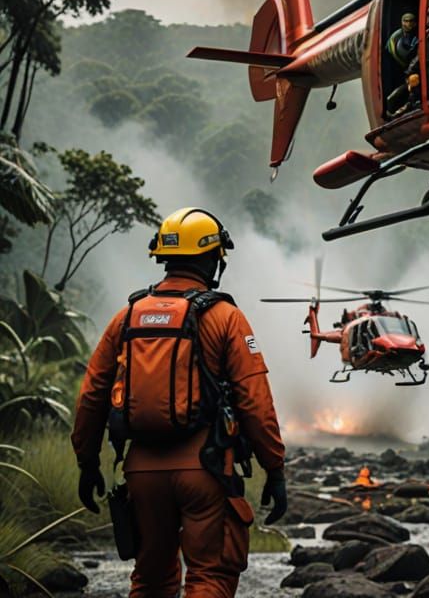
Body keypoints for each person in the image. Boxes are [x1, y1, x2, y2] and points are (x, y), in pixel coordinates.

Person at [72, 207, 287, 598]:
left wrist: (87, 463)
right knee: (210, 576)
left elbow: (91, 398)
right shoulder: (226, 317)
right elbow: (255, 399)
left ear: (164, 258)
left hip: (141, 474)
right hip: (204, 470)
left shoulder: (126, 317)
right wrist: (274, 467)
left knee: (151, 580)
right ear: (212, 259)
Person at [385, 11, 419, 116]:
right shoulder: (395, 38)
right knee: (391, 100)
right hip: (408, 71)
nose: (408, 24)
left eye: (411, 21)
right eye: (406, 21)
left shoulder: (421, 33)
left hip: (420, 69)